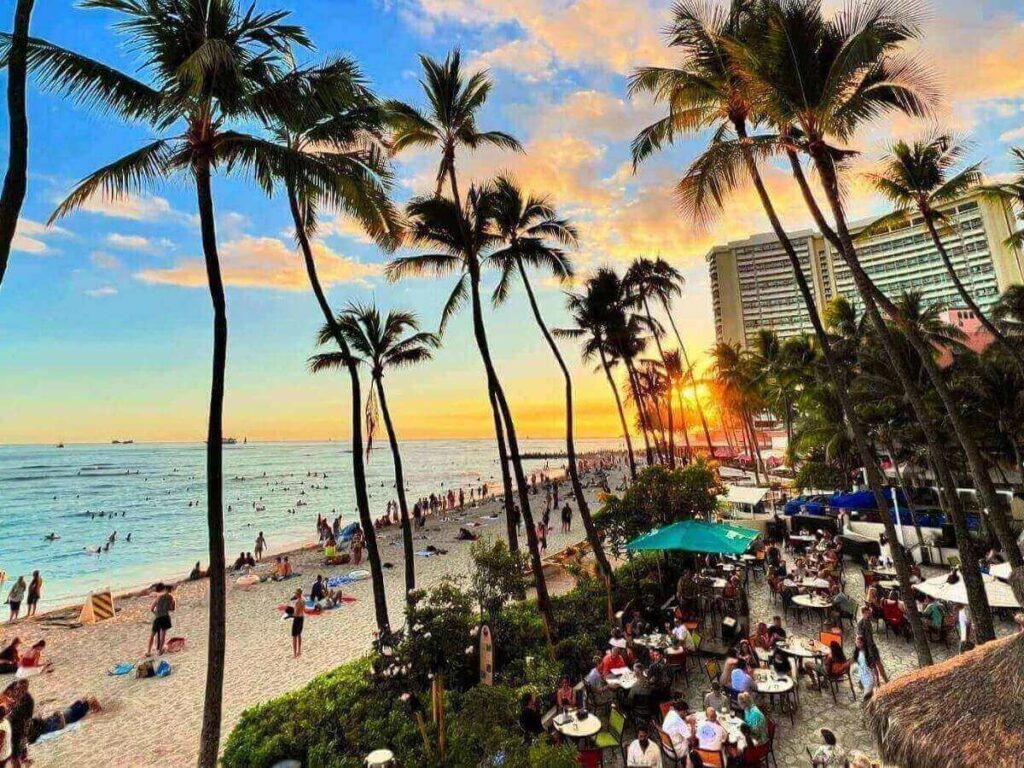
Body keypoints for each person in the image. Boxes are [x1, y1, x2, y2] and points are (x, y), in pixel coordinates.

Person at [28, 697, 103, 743]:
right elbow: (61, 726)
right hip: (70, 717)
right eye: (37, 718)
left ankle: (92, 705)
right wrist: (61, 716)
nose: (38, 716)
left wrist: (56, 714)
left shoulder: (43, 723)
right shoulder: (47, 727)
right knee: (86, 703)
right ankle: (97, 708)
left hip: (67, 713)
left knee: (79, 702)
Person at [147, 584, 175, 656]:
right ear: (171, 590)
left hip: (158, 617)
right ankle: (160, 651)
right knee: (163, 635)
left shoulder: (159, 597)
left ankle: (148, 651)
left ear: (165, 589)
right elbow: (171, 609)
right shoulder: (171, 597)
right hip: (165, 617)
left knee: (152, 635)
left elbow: (151, 609)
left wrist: (156, 613)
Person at [290, 588, 305, 658]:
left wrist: (290, 614)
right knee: (299, 635)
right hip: (302, 618)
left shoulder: (297, 602)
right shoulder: (303, 600)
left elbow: (295, 613)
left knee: (294, 636)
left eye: (296, 593)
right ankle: (299, 651)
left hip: (297, 619)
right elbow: (304, 610)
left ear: (298, 593)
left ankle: (295, 653)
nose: (295, 594)